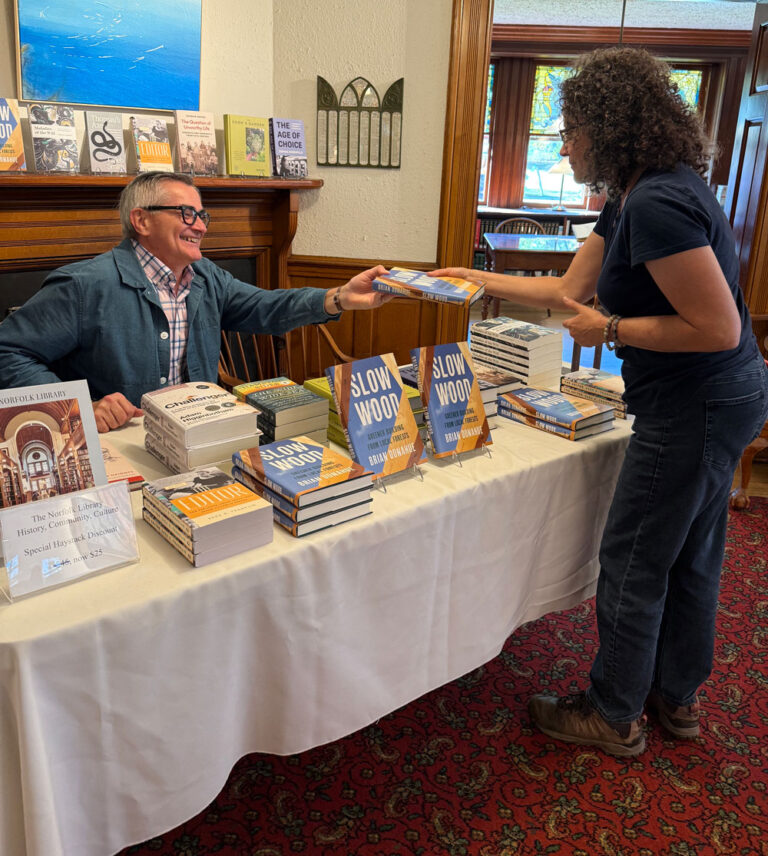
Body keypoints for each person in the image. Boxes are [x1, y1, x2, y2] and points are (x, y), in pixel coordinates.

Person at [433, 47, 768, 757]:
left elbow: (717, 327)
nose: (564, 146)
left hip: (697, 402)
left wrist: (611, 331)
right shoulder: (634, 193)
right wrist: (476, 280)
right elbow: (568, 291)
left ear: (610, 129)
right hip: (723, 396)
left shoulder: (656, 203)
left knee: (635, 558)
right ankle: (674, 696)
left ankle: (614, 713)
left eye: (571, 131)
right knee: (691, 552)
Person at [0, 172, 389, 433]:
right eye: (186, 213)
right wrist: (79, 408)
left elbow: (265, 307)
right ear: (141, 220)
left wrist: (339, 297)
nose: (200, 226)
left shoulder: (206, 277)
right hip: (122, 446)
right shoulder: (84, 286)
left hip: (198, 437)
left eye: (202, 215)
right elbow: (8, 351)